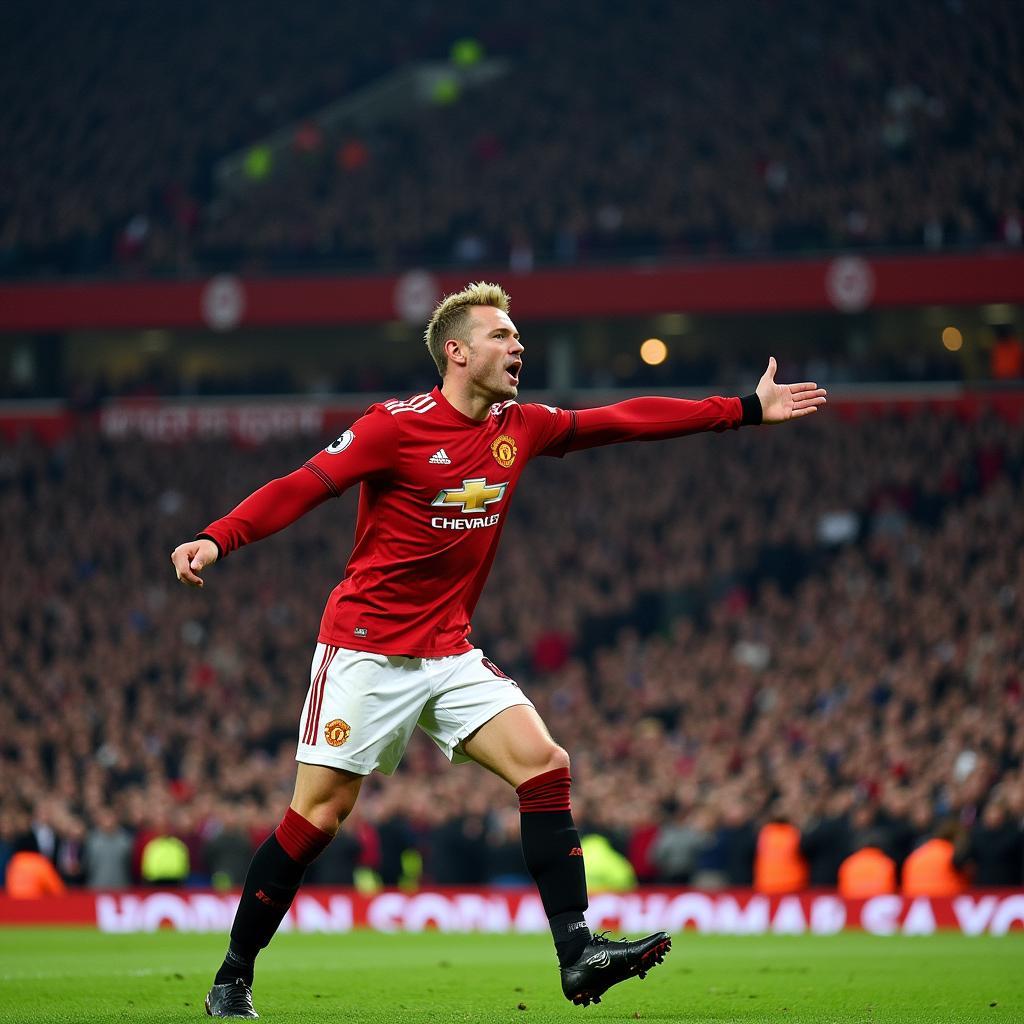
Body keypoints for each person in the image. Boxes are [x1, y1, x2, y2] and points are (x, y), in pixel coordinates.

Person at [170, 281, 826, 1017]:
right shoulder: (393, 427)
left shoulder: (522, 426)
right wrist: (218, 536)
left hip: (448, 652)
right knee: (317, 819)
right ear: (457, 352)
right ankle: (232, 975)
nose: (518, 346)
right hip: (365, 648)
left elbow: (621, 420)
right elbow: (305, 484)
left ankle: (578, 952)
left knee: (545, 764)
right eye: (501, 335)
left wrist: (740, 409)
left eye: (518, 336)